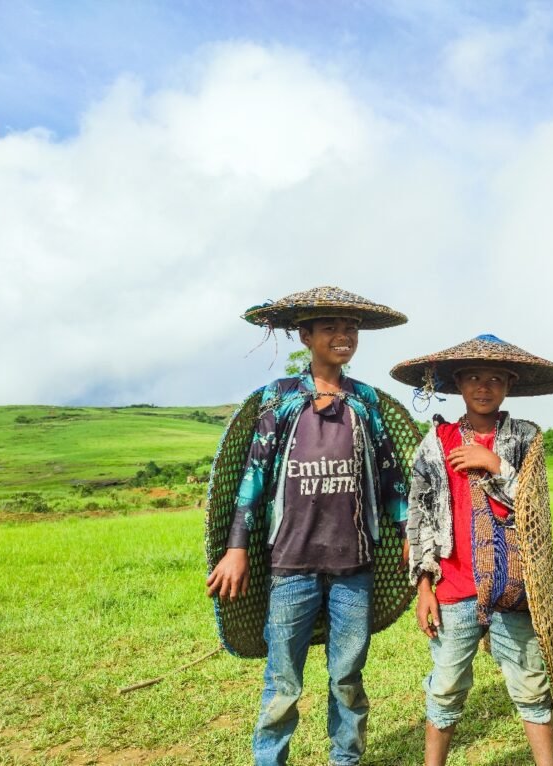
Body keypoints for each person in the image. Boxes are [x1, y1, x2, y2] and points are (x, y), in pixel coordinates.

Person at [206, 286, 412, 766]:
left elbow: (389, 475)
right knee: (282, 681)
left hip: (352, 566)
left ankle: (346, 759)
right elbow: (253, 476)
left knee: (347, 677)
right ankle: (269, 760)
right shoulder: (280, 398)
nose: (343, 336)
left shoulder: (364, 400)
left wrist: (405, 534)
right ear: (305, 335)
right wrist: (236, 547)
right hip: (291, 565)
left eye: (351, 329)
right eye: (330, 328)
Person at [389, 334, 553, 766]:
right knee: (445, 686)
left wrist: (494, 465)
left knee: (531, 684)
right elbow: (418, 517)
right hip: (453, 588)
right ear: (457, 383)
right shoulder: (435, 442)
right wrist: (424, 588)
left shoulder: (525, 439)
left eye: (495, 378)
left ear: (509, 384)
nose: (483, 386)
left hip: (513, 587)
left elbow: (536, 509)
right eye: (473, 377)